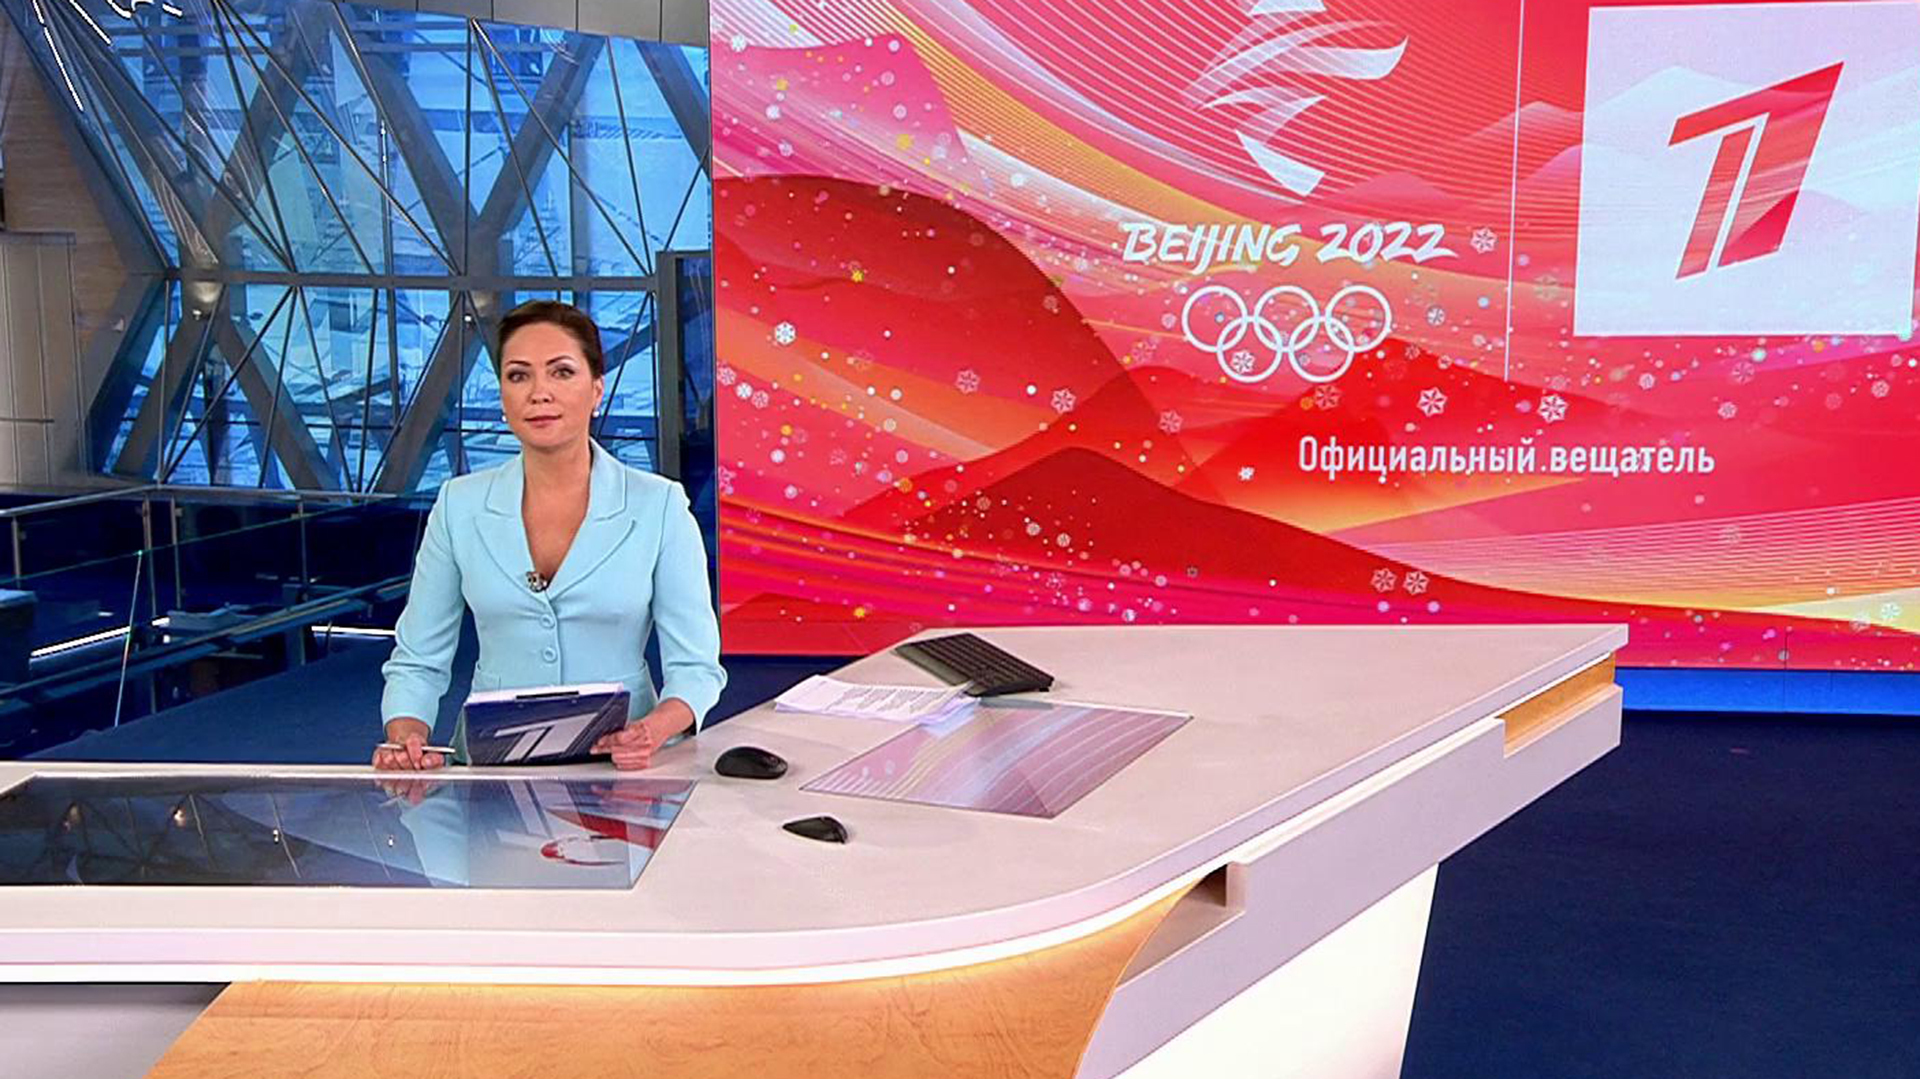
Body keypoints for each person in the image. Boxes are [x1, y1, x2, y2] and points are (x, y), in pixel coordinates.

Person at [373, 300, 725, 772]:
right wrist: (407, 735)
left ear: (596, 389)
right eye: (519, 376)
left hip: (624, 763)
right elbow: (418, 658)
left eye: (561, 372)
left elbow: (696, 667)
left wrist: (654, 728)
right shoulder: (460, 505)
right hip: (492, 767)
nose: (539, 393)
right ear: (502, 394)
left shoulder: (658, 506)